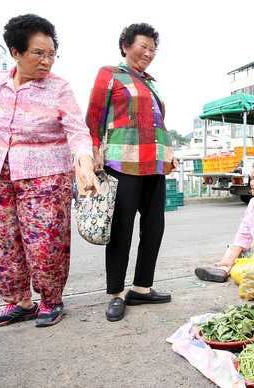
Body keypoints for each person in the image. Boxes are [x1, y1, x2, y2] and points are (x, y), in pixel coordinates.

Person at [0, 14, 100, 329]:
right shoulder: (0, 82)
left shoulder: (59, 88)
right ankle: (19, 301)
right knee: (4, 242)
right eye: (38, 53)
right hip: (3, 174)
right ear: (15, 52)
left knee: (45, 243)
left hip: (46, 177)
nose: (47, 61)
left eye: (51, 54)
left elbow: (78, 131)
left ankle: (51, 300)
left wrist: (85, 164)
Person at [86, 22, 178, 322]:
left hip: (155, 163)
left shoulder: (149, 82)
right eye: (143, 47)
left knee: (154, 228)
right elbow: (93, 118)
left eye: (153, 49)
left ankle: (141, 287)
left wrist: (170, 153)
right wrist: (94, 154)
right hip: (122, 162)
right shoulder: (109, 74)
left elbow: (157, 123)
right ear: (126, 46)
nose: (149, 54)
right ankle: (116, 294)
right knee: (121, 230)